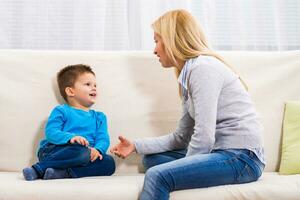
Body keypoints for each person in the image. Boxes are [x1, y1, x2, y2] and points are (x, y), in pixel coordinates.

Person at [110, 9, 265, 200]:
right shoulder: (188, 75)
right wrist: (135, 145)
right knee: (153, 160)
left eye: (157, 40)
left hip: (242, 159)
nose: (154, 50)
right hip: (221, 152)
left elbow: (204, 136)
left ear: (173, 40)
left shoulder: (202, 68)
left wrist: (182, 170)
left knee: (157, 174)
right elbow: (181, 138)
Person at [23, 64, 115, 181]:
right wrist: (71, 138)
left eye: (95, 85)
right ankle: (38, 169)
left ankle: (62, 173)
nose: (94, 88)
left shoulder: (99, 117)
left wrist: (97, 150)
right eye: (88, 84)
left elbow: (103, 139)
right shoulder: (62, 111)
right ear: (71, 91)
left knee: (109, 163)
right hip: (57, 151)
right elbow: (51, 132)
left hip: (86, 156)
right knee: (80, 152)